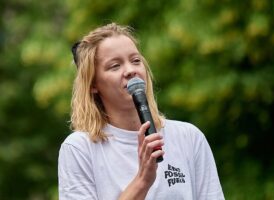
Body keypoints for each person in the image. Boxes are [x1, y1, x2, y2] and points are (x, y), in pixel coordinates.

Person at [58, 22, 225, 200]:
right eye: (115, 66)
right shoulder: (79, 148)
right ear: (93, 85)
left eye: (136, 61)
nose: (130, 71)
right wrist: (143, 180)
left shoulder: (189, 137)